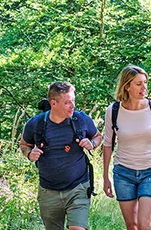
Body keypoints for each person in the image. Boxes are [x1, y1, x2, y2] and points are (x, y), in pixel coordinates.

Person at [102, 65, 151, 230]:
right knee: (131, 226)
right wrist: (105, 176)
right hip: (123, 172)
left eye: (145, 82)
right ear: (127, 86)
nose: (144, 87)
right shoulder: (113, 110)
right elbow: (107, 144)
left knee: (144, 225)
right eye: (138, 84)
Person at [20, 81, 103, 230]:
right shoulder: (35, 124)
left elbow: (97, 136)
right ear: (53, 103)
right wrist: (29, 154)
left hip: (78, 187)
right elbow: (24, 145)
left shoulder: (81, 120)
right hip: (48, 191)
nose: (73, 106)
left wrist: (92, 143)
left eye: (73, 101)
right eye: (67, 102)